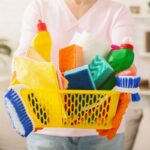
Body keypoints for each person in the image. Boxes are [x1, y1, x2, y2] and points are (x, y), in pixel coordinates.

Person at [15, 0, 133, 149]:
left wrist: (126, 81)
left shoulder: (117, 10)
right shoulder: (40, 7)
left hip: (101, 125)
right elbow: (24, 55)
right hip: (47, 126)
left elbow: (125, 57)